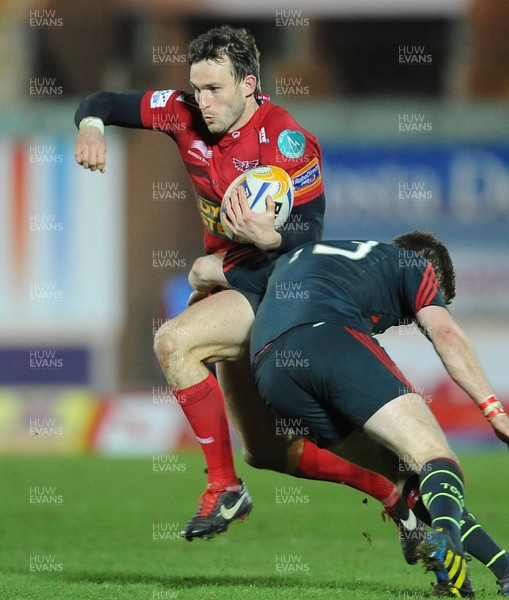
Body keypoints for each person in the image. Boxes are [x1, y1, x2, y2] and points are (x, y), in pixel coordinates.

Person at [73, 25, 412, 547]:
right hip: (232, 283)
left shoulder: (284, 137)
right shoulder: (180, 111)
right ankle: (393, 492)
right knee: (269, 452)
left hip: (277, 286)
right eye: (197, 88)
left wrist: (256, 245)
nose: (202, 103)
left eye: (215, 90)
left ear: (250, 84)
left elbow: (310, 233)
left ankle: (223, 488)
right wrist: (92, 126)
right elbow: (102, 101)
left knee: (174, 340)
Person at [244, 232, 509, 597]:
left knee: (408, 476)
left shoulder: (308, 257)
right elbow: (444, 331)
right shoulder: (414, 265)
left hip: (271, 373)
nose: (408, 320)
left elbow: (207, 271)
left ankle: (504, 570)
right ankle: (447, 542)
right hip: (330, 338)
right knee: (436, 457)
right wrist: (493, 410)